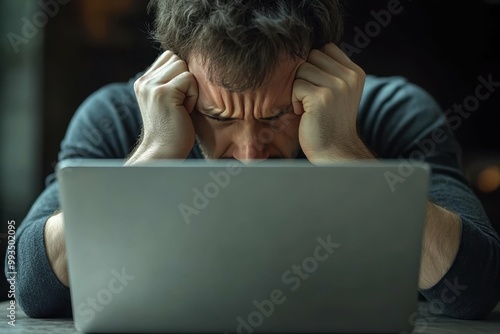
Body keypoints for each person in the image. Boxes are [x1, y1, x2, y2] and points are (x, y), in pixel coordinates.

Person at [6, 0, 500, 320]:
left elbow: (476, 288)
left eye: (278, 115)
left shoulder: (394, 113)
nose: (247, 155)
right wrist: (153, 155)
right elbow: (30, 286)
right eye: (219, 116)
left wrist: (341, 152)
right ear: (176, 76)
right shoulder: (117, 119)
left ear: (326, 69)